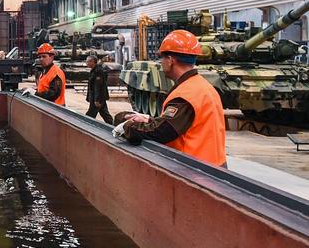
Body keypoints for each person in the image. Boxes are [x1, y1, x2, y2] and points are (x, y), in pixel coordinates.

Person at [114, 30, 226, 167]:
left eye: (162, 58)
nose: (161, 63)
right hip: (213, 165)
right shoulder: (202, 86)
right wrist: (149, 120)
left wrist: (128, 127)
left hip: (195, 170)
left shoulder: (186, 94)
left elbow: (162, 132)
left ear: (171, 60)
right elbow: (184, 124)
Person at [84, 53, 113, 123]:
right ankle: (113, 126)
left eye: (87, 61)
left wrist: (97, 100)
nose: (86, 63)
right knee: (105, 114)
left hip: (97, 98)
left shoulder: (98, 71)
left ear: (92, 62)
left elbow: (98, 86)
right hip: (97, 98)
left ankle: (85, 126)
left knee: (89, 116)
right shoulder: (94, 70)